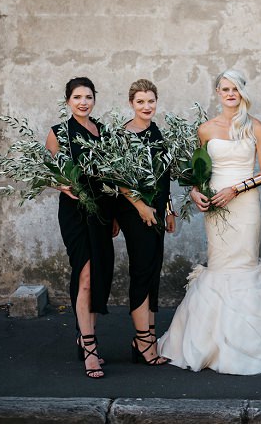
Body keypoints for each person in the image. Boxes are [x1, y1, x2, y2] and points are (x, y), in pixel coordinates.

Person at [158, 69, 261, 373]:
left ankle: (255, 342)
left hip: (245, 204)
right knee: (220, 263)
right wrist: (198, 192)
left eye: (235, 89)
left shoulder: (256, 127)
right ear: (217, 93)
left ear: (242, 93)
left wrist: (235, 189)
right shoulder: (205, 129)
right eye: (224, 89)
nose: (229, 94)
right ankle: (209, 341)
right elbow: (200, 172)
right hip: (215, 208)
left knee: (243, 264)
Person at [45, 76, 115, 379]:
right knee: (85, 272)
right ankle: (89, 346)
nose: (83, 102)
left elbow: (112, 176)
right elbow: (47, 173)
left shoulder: (104, 132)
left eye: (88, 97)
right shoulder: (58, 133)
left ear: (94, 100)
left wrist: (113, 216)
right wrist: (61, 184)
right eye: (77, 98)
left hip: (100, 210)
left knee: (98, 272)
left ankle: (84, 332)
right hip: (74, 212)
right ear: (68, 101)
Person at [111, 79, 175, 367]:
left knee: (153, 270)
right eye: (140, 102)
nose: (146, 107)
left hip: (157, 210)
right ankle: (143, 341)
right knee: (141, 270)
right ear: (131, 104)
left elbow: (165, 176)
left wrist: (169, 209)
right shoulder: (123, 136)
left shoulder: (157, 133)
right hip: (134, 211)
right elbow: (119, 181)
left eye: (151, 101)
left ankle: (147, 337)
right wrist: (140, 207)